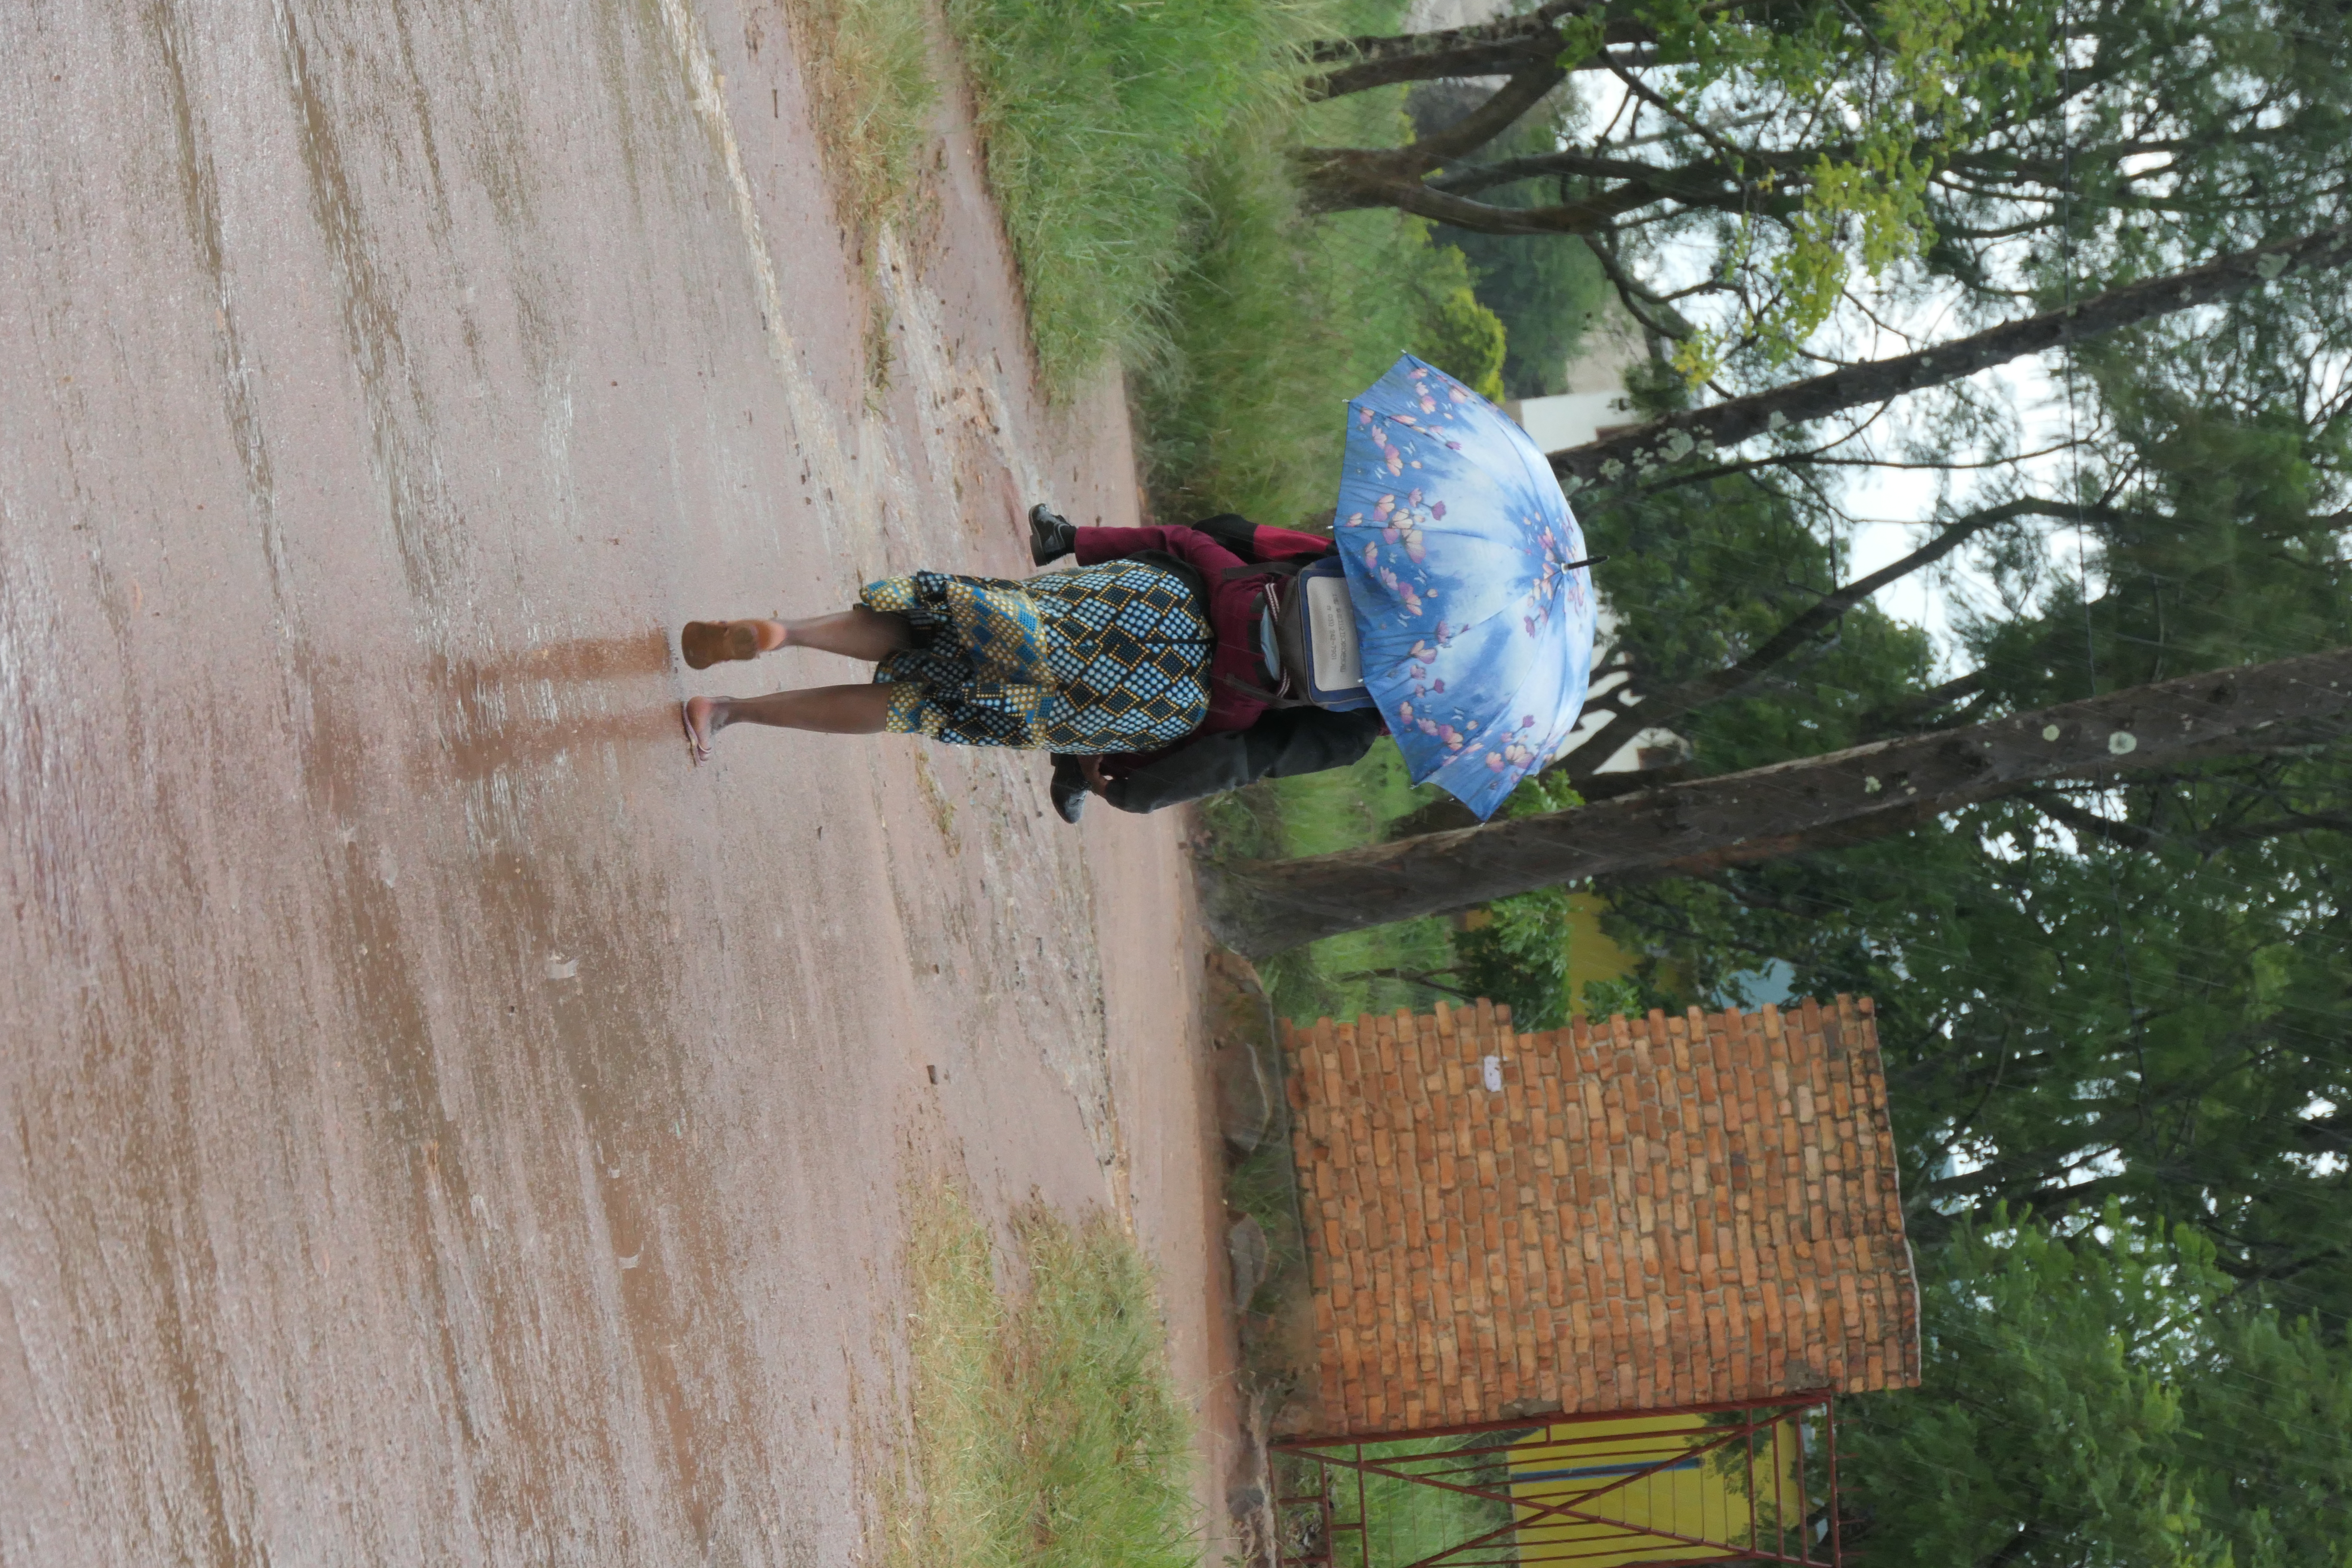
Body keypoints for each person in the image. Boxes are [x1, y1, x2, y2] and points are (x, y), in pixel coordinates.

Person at [678, 507, 1388, 819]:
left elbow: (1226, 534)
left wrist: (1090, 541)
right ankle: (730, 714)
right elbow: (1243, 756)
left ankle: (787, 632)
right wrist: (1128, 784)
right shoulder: (1384, 714)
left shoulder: (1382, 564)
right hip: (1152, 698)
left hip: (1149, 599)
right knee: (929, 702)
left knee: (940, 624)